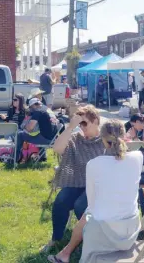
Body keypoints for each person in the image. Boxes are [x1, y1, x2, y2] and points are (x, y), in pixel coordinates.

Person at [47, 120, 143, 263]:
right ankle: (65, 253)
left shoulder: (95, 164)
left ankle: (65, 253)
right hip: (131, 227)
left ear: (103, 140)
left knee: (88, 214)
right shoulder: (138, 157)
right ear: (124, 136)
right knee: (91, 213)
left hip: (104, 231)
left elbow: (92, 204)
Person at [42, 105, 105, 255]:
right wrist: (70, 127)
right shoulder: (77, 139)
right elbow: (57, 149)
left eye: (85, 124)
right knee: (60, 201)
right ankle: (56, 238)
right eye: (80, 124)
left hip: (98, 186)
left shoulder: (105, 138)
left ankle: (92, 240)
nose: (82, 128)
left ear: (95, 120)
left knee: (79, 206)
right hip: (78, 182)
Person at [15, 98, 58, 163]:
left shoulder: (38, 112)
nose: (31, 110)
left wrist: (24, 125)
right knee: (39, 134)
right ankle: (42, 157)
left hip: (46, 139)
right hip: (54, 139)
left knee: (20, 134)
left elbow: (30, 128)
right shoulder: (48, 110)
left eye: (31, 108)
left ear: (33, 106)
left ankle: (16, 158)